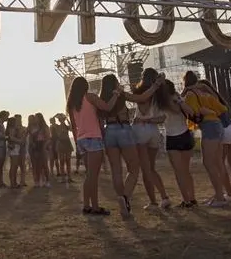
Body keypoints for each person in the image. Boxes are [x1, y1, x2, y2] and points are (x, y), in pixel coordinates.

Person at [66, 76, 121, 216]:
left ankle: (86, 205)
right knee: (93, 176)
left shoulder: (71, 103)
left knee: (89, 175)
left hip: (82, 139)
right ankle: (95, 206)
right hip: (94, 138)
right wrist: (115, 94)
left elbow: (73, 126)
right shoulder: (90, 97)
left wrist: (78, 142)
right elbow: (107, 107)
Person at [122, 68, 172, 210]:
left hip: (140, 130)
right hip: (154, 132)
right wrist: (150, 121)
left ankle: (153, 202)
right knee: (151, 168)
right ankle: (164, 197)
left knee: (146, 170)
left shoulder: (142, 92)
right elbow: (162, 118)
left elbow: (143, 110)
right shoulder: (160, 95)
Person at [182, 71, 228, 207]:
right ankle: (220, 194)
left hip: (208, 127)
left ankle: (220, 197)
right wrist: (212, 111)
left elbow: (193, 112)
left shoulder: (190, 95)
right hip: (217, 125)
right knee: (217, 162)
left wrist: (203, 111)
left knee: (208, 163)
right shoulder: (206, 94)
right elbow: (223, 108)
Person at [98, 74, 140, 218]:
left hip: (109, 131)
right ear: (115, 83)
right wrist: (155, 86)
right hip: (123, 129)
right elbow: (139, 99)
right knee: (134, 168)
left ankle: (122, 202)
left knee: (116, 171)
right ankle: (125, 197)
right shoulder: (121, 95)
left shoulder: (102, 99)